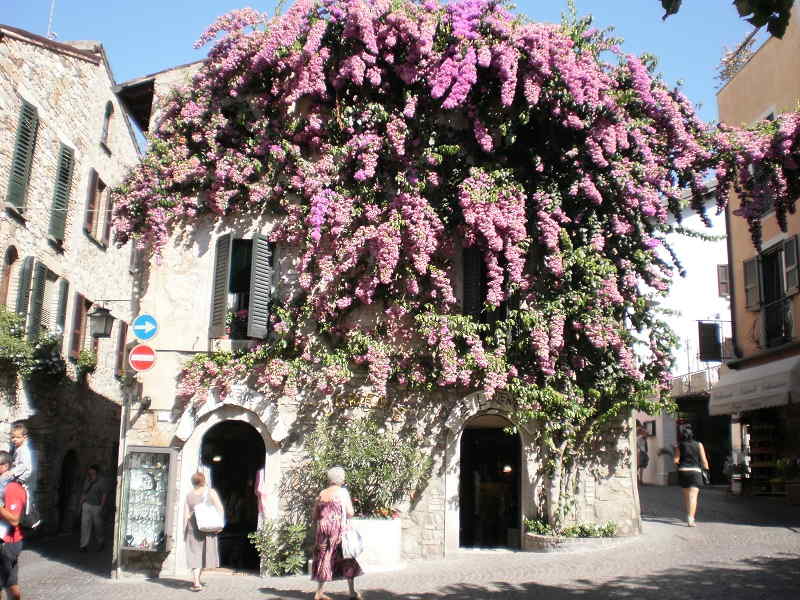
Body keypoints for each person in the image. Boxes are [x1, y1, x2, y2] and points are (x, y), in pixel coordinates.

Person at [311, 466, 363, 600]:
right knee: (347, 559)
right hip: (338, 532)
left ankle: (319, 592)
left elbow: (315, 515)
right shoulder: (343, 492)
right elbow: (350, 512)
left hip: (322, 532)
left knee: (324, 559)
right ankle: (352, 592)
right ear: (340, 479)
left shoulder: (322, 493)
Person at [184, 471, 222, 592]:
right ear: (204, 481)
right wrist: (219, 524)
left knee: (195, 554)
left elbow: (186, 515)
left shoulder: (189, 495)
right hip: (208, 527)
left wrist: (184, 530)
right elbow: (219, 507)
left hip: (193, 527)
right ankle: (197, 581)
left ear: (192, 482)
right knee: (203, 554)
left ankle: (196, 581)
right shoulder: (210, 492)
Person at [0, 451, 26, 600]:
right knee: (11, 583)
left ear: (4, 466)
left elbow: (15, 519)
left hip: (7, 544)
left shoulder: (12, 488)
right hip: (8, 542)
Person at [674, 426, 710, 527]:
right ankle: (691, 519)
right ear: (692, 434)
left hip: (683, 471)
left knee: (686, 496)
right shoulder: (699, 445)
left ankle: (688, 515)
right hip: (695, 472)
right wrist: (706, 471)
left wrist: (680, 465)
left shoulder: (679, 445)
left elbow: (676, 460)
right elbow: (704, 460)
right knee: (693, 496)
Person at [79, 464, 108, 552]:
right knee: (85, 526)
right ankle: (83, 545)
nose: (90, 471)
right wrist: (81, 502)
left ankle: (101, 542)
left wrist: (101, 506)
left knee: (98, 526)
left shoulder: (101, 481)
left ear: (96, 471)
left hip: (96, 506)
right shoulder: (87, 480)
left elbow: (104, 494)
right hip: (86, 504)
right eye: (89, 470)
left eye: (92, 470)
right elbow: (84, 492)